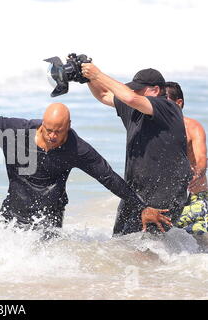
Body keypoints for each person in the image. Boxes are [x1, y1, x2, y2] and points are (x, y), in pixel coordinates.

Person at [0, 103, 171, 238]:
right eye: (49, 130)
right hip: (14, 214)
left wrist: (141, 206)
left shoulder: (77, 149)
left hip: (49, 220)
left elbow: (107, 176)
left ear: (68, 125)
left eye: (58, 131)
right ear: (42, 124)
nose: (52, 136)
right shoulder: (15, 132)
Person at [80, 63, 192, 235]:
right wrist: (87, 78)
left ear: (155, 90)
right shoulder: (133, 108)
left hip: (164, 195)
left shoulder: (168, 107)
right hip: (136, 194)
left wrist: (98, 74)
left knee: (150, 251)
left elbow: (130, 98)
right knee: (120, 243)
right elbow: (104, 95)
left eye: (138, 90)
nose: (133, 93)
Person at [165, 81, 208, 235]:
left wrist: (198, 174)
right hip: (169, 198)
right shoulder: (155, 130)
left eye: (166, 103)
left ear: (179, 103)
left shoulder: (192, 127)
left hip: (195, 196)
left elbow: (202, 158)